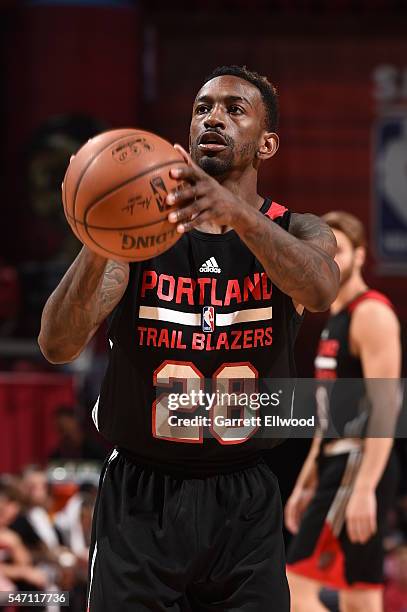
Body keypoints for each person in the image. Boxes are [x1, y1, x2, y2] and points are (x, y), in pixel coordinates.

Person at [38, 65, 339, 611]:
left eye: (233, 109)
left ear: (267, 144)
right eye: (203, 108)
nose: (214, 118)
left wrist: (238, 217)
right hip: (140, 496)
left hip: (244, 498)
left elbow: (319, 289)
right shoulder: (139, 242)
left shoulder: (298, 230)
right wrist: (103, 228)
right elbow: (57, 344)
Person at [285, 211, 401, 612]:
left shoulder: (371, 313)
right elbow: (325, 416)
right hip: (336, 461)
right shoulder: (335, 318)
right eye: (325, 251)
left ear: (361, 255)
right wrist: (305, 481)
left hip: (357, 464)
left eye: (341, 251)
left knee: (294, 590)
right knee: (360, 597)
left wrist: (366, 487)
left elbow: (388, 405)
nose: (331, 260)